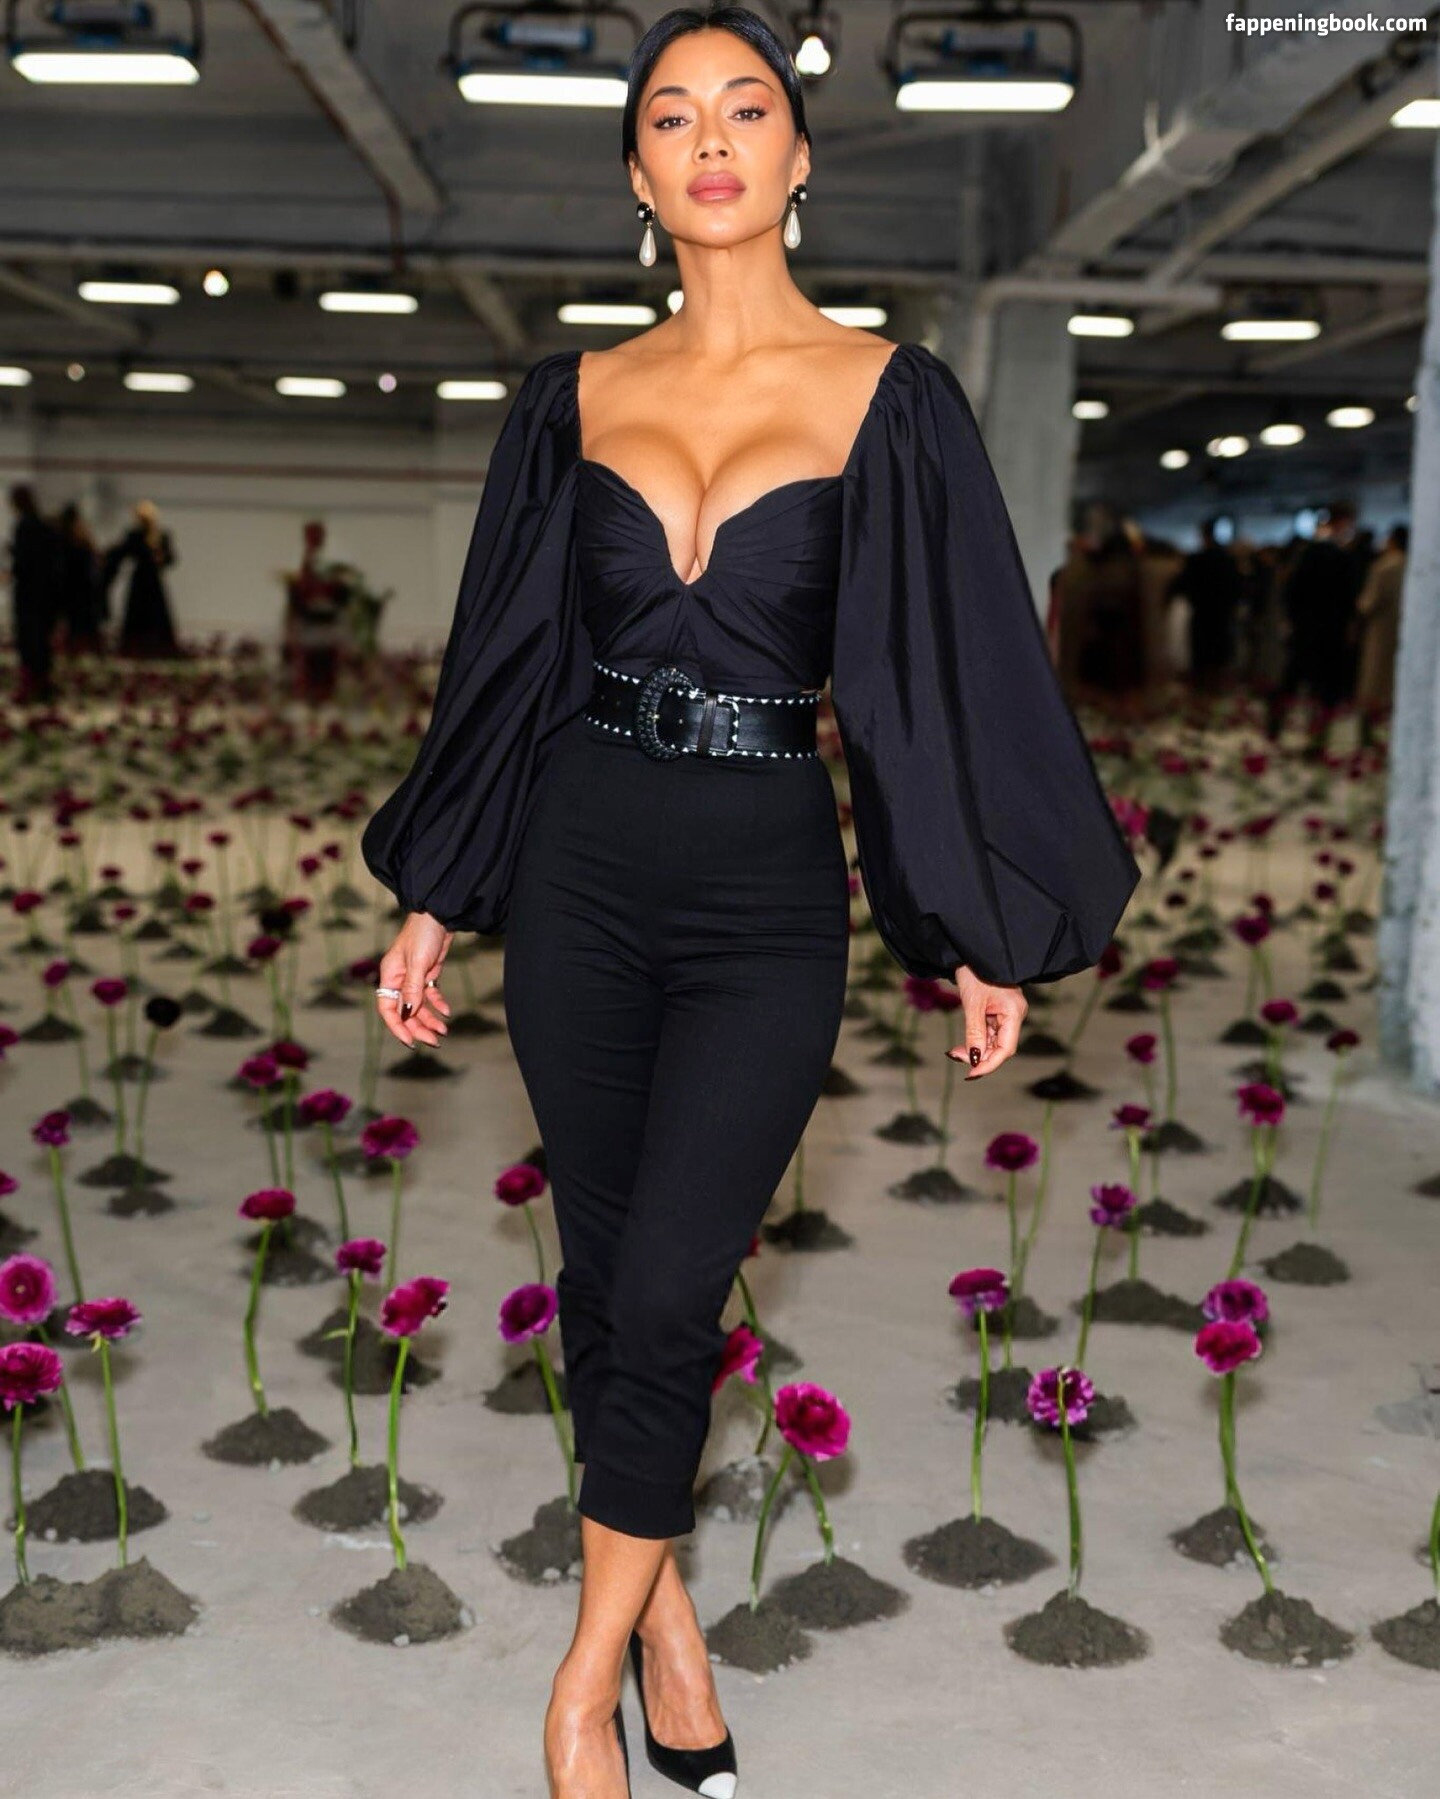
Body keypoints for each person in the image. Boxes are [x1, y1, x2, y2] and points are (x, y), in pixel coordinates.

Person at [360, 10, 1139, 1795]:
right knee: (608, 1275)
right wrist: (438, 892)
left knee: (671, 1286)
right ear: (636, 178)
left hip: (766, 888)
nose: (710, 139)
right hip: (578, 866)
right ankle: (669, 1636)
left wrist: (973, 920)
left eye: (746, 107)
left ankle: (576, 1691)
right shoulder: (568, 401)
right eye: (669, 116)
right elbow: (504, 662)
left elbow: (943, 677)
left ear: (800, 157)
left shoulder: (891, 397)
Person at [1266, 499, 1362, 742]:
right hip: (1327, 629)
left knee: (1297, 678)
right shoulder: (1338, 555)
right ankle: (1318, 734)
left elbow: (1292, 591)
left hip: (1309, 627)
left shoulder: (1309, 553)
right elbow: (1348, 597)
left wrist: (1293, 619)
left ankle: (1281, 726)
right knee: (1320, 683)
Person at [1170, 516, 1242, 692]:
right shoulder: (1228, 560)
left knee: (1202, 656)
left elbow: (1183, 585)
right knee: (1219, 655)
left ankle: (1202, 691)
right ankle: (1217, 689)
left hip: (1202, 614)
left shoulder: (1196, 560)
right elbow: (1237, 588)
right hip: (1222, 615)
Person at [6, 484, 60, 703]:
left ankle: (31, 686)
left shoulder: (24, 526)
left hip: (29, 594)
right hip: (46, 594)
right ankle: (43, 685)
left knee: (29, 641)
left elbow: (23, 563)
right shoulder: (44, 525)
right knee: (41, 642)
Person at [105, 500, 179, 657]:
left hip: (154, 581)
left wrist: (162, 558)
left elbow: (171, 558)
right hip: (139, 581)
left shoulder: (162, 535)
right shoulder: (134, 536)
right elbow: (121, 552)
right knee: (135, 616)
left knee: (157, 615)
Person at [284, 519, 346, 704]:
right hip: (308, 630)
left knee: (325, 675)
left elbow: (340, 598)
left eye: (317, 535)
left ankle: (324, 697)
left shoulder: (333, 563)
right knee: (308, 673)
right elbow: (295, 600)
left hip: (326, 630)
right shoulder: (302, 565)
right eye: (312, 535)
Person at [1354, 522, 1407, 739]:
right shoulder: (1411, 564)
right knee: (1393, 678)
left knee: (1374, 678)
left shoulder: (1384, 566)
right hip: (1401, 629)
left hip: (1379, 628)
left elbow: (1368, 603)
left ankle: (1370, 730)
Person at [56, 503, 105, 656]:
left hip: (73, 587)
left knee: (75, 624)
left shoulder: (64, 538)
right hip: (82, 588)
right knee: (85, 624)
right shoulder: (80, 538)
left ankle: (75, 652)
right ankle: (91, 652)